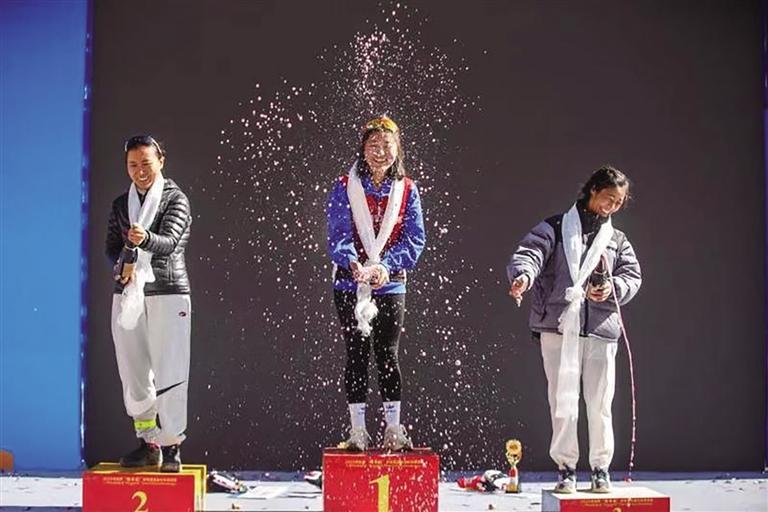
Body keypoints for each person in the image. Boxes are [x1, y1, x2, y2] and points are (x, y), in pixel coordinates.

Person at [507, 166, 641, 493]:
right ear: (593, 190)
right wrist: (523, 275)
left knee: (600, 403)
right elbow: (530, 252)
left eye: (619, 203)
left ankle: (600, 469)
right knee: (562, 401)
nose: (612, 206)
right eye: (609, 198)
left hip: (600, 330)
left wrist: (611, 288)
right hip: (557, 326)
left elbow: (632, 276)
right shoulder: (555, 227)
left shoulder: (617, 240)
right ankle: (566, 468)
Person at [326, 115, 426, 451]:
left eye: (387, 145)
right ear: (363, 148)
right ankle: (357, 431)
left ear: (398, 149)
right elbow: (338, 232)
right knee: (355, 354)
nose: (380, 151)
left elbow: (414, 239)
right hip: (349, 284)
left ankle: (393, 429)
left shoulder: (407, 189)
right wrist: (353, 263)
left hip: (390, 283)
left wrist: (386, 266)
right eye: (373, 144)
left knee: (387, 354)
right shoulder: (345, 186)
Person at [106, 134, 192, 472]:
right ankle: (148, 443)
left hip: (168, 292)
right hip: (128, 295)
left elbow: (170, 242)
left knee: (170, 368)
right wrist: (121, 264)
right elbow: (111, 248)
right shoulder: (120, 205)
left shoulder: (175, 199)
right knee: (133, 370)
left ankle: (171, 446)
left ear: (161, 161)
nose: (140, 171)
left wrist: (145, 239)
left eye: (146, 163)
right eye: (133, 165)